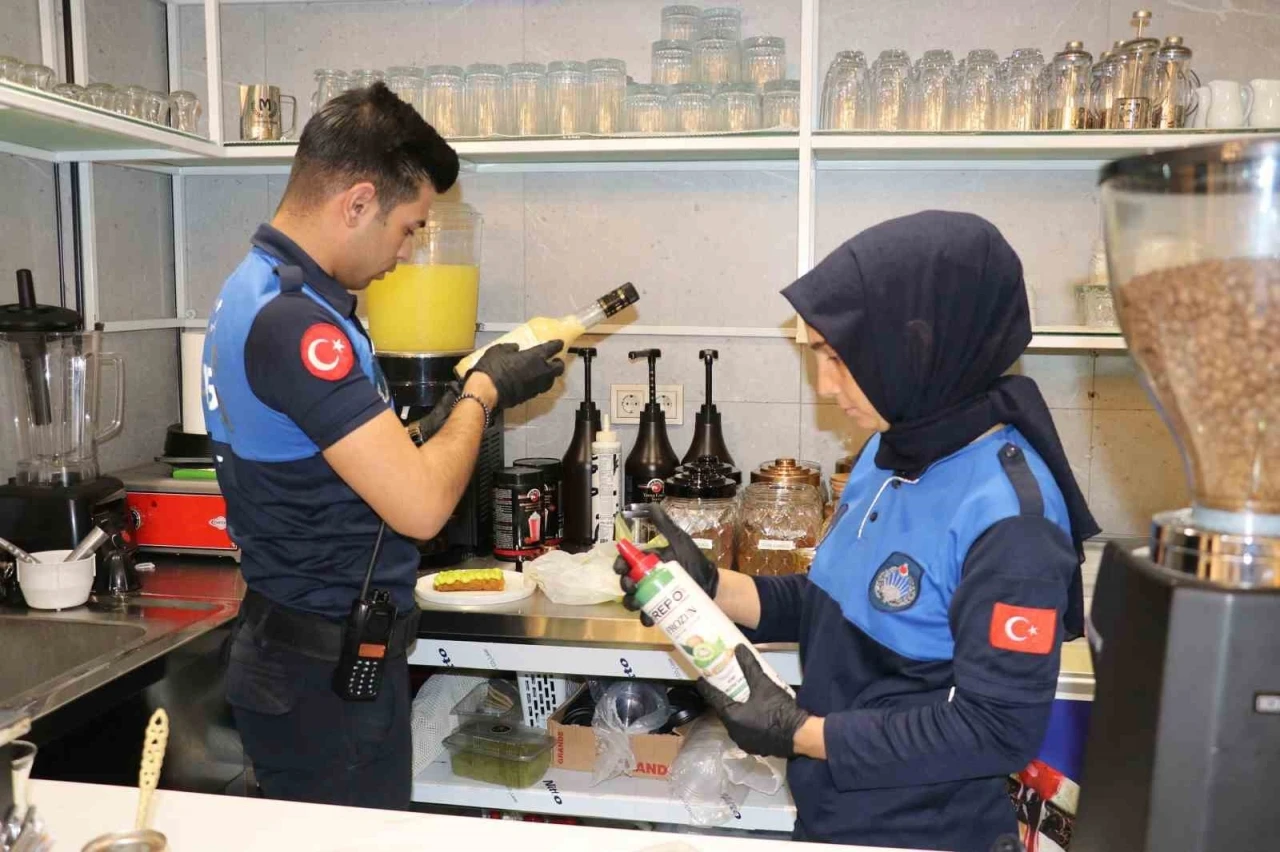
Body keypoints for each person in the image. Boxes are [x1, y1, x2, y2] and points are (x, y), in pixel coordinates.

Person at [620, 211, 1099, 852]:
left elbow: (995, 732)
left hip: (928, 834)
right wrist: (706, 585)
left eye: (839, 358)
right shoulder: (889, 450)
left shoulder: (1013, 522)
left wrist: (798, 732)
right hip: (832, 817)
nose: (824, 386)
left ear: (919, 346)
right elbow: (837, 600)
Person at [202, 83, 564, 810]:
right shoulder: (298, 326)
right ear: (358, 202)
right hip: (321, 679)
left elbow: (337, 460)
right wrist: (481, 394)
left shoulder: (263, 290)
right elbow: (422, 508)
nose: (405, 253)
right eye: (408, 228)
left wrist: (435, 423)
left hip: (305, 657)